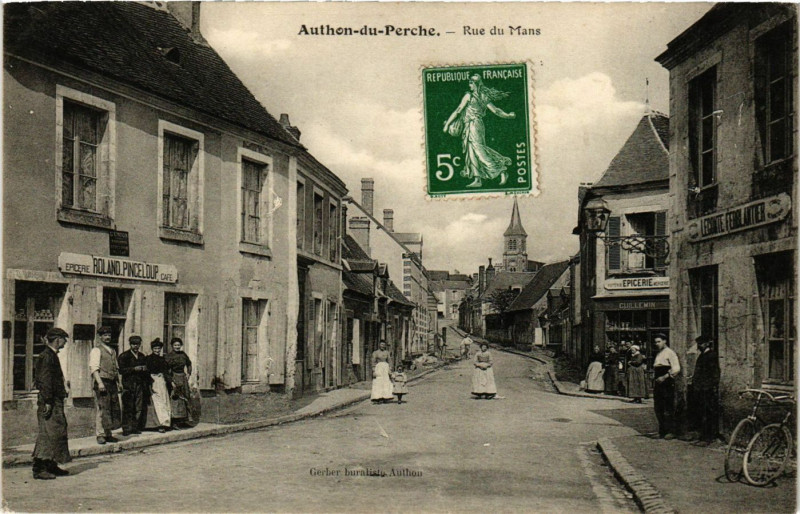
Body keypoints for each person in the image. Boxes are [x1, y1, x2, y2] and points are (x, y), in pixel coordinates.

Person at [443, 74, 516, 188]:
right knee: (472, 151)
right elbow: (496, 111)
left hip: (474, 125)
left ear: (476, 84)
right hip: (471, 125)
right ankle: (477, 179)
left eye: (471, 83)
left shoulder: (470, 96)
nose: (469, 85)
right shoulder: (483, 96)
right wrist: (508, 115)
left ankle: (501, 170)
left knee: (479, 150)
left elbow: (458, 110)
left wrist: (447, 124)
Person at [32, 327, 71, 479]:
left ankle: (51, 465)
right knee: (47, 434)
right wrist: (47, 401)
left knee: (57, 432)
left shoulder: (51, 355)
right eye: (63, 339)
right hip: (50, 401)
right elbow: (44, 380)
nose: (65, 342)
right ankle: (39, 468)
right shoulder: (46, 356)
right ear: (57, 340)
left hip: (55, 400)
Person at [89, 326, 122, 445]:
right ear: (100, 337)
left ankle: (108, 433)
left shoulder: (113, 350)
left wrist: (119, 382)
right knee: (102, 409)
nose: (107, 337)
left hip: (112, 382)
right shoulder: (96, 350)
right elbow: (94, 369)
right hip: (102, 382)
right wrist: (100, 383)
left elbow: (116, 368)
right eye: (105, 335)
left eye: (109, 335)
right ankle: (100, 434)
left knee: (112, 408)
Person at [118, 335, 150, 435]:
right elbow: (121, 370)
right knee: (128, 406)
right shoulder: (124, 356)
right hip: (128, 385)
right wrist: (133, 369)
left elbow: (146, 369)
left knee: (138, 406)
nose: (136, 346)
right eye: (134, 344)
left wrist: (145, 369)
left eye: (138, 344)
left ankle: (135, 427)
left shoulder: (142, 356)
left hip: (139, 384)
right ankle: (126, 429)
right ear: (130, 344)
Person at [652, 333, 681, 439]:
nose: (657, 344)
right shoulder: (659, 353)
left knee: (667, 406)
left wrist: (664, 377)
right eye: (655, 342)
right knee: (658, 407)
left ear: (665, 341)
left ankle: (670, 431)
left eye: (659, 341)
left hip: (667, 383)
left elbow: (676, 368)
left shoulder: (670, 353)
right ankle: (662, 431)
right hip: (658, 383)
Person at [692, 338, 720, 446]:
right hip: (700, 388)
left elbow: (715, 373)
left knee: (708, 413)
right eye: (699, 344)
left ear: (707, 343)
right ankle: (702, 436)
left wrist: (712, 386)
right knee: (701, 412)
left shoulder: (711, 355)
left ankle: (708, 438)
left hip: (707, 389)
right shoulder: (702, 355)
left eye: (701, 343)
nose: (699, 345)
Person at [165, 337, 193, 428]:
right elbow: (166, 370)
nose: (177, 347)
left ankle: (183, 420)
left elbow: (189, 363)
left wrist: (188, 373)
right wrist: (171, 381)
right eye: (175, 345)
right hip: (174, 377)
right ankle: (174, 422)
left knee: (185, 397)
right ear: (172, 346)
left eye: (179, 345)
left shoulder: (183, 354)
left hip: (183, 377)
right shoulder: (169, 356)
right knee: (175, 399)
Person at [146, 339, 172, 433]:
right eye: (155, 348)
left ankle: (165, 422)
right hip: (152, 381)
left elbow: (166, 370)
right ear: (152, 349)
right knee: (157, 402)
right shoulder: (148, 359)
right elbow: (147, 371)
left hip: (161, 381)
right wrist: (150, 381)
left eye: (159, 348)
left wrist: (166, 378)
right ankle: (158, 424)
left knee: (164, 400)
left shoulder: (162, 359)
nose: (157, 350)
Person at [681, 336, 702, 440]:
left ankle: (702, 435)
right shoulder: (698, 355)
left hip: (702, 387)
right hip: (694, 385)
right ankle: (694, 432)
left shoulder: (708, 355)